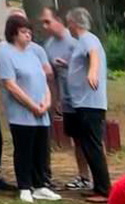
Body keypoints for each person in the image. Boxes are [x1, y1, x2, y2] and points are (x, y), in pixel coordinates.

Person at [0, 15, 59, 204]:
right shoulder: (5, 52)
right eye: (23, 32)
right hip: (22, 113)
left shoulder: (35, 52)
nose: (28, 36)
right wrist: (31, 105)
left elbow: (44, 79)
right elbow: (10, 84)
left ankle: (40, 185)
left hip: (41, 112)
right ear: (14, 33)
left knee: (41, 149)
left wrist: (47, 102)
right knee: (24, 149)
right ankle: (24, 186)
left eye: (29, 32)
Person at [41, 6, 91, 191]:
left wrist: (68, 65)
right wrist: (55, 100)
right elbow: (51, 76)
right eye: (43, 23)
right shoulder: (48, 46)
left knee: (89, 138)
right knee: (76, 139)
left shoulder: (77, 42)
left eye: (48, 21)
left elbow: (90, 67)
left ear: (59, 20)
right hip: (68, 100)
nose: (45, 26)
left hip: (84, 99)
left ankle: (98, 177)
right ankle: (83, 176)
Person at [65, 7, 109, 203]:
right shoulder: (81, 41)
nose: (68, 27)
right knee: (88, 145)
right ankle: (98, 187)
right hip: (83, 103)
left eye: (69, 23)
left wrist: (92, 71)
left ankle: (104, 190)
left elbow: (94, 55)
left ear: (74, 23)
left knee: (93, 146)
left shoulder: (88, 39)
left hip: (90, 104)